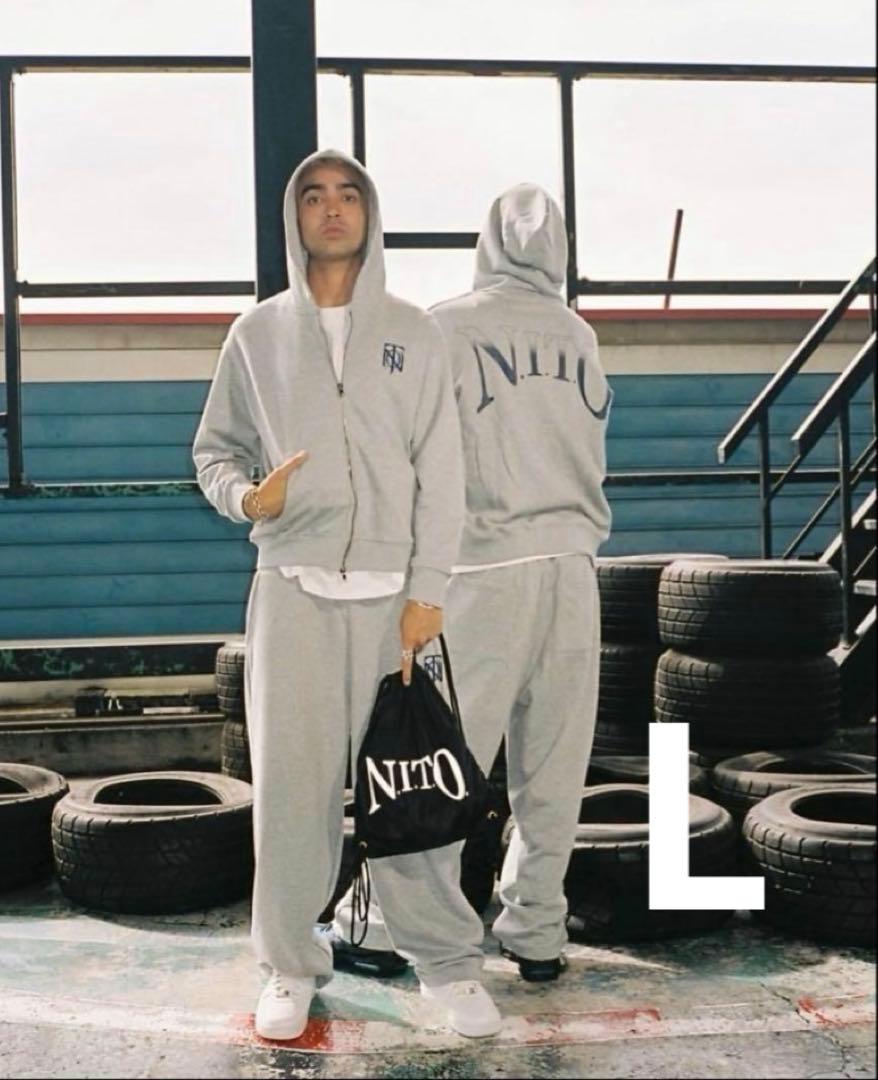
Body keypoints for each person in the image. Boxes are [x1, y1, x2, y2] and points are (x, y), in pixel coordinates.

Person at [192, 148, 502, 1041]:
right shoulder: (256, 335)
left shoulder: (416, 332)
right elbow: (213, 452)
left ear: (370, 213)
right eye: (315, 196)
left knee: (409, 781)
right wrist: (248, 500)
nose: (332, 209)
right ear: (294, 218)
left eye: (349, 195)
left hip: (392, 602)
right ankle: (290, 965)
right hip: (292, 592)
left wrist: (429, 589)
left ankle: (446, 965)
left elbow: (442, 470)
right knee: (293, 792)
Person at [332, 182, 612, 982]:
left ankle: (385, 931)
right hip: (574, 570)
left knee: (439, 760)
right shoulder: (581, 335)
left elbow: (403, 453)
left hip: (481, 573)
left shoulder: (446, 326)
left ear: (486, 241)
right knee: (553, 769)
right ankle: (538, 933)